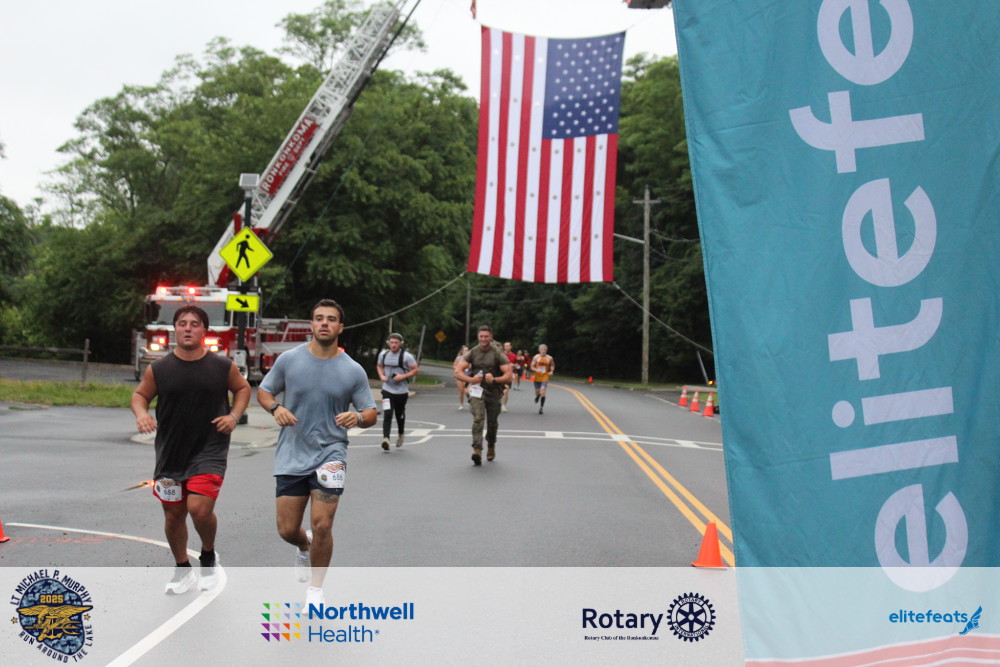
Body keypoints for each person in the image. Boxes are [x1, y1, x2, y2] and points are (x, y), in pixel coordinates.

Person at [256, 299, 377, 606]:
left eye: (331, 319)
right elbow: (264, 391)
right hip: (292, 451)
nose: (324, 323)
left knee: (323, 523)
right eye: (319, 318)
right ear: (311, 324)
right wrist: (276, 408)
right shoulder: (289, 360)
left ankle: (316, 590)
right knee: (287, 530)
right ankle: (303, 544)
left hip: (331, 453)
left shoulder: (353, 370)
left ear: (340, 327)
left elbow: (370, 412)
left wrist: (357, 417)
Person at [130, 305, 251, 595]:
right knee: (173, 515)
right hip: (171, 453)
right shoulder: (159, 368)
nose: (187, 328)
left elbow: (243, 389)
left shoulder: (221, 366)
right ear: (175, 329)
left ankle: (208, 556)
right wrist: (142, 414)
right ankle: (182, 569)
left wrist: (234, 416)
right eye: (182, 323)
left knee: (198, 509)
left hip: (209, 449)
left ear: (204, 330)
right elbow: (140, 395)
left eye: (194, 324)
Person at [454, 326, 513, 465]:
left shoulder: (497, 353)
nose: (483, 339)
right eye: (481, 336)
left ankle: (491, 444)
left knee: (492, 422)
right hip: (477, 390)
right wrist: (471, 380)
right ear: (478, 337)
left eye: (486, 336)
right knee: (478, 418)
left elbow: (509, 375)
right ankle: (477, 450)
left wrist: (494, 380)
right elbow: (457, 371)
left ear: (490, 337)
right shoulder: (473, 352)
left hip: (494, 391)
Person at [377, 333, 419, 451]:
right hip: (387, 389)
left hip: (401, 391)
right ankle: (386, 439)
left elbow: (415, 370)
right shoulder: (383, 354)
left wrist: (402, 376)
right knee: (387, 413)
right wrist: (381, 375)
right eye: (391, 342)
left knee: (399, 414)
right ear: (388, 343)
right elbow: (379, 366)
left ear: (400, 343)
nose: (393, 345)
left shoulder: (406, 356)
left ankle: (401, 433)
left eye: (396, 343)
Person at [530, 344, 555, 414]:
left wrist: (551, 371)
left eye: (544, 350)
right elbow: (531, 366)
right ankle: (538, 396)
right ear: (539, 350)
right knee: (537, 392)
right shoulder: (536, 357)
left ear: (546, 350)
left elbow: (552, 365)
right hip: (537, 376)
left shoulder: (550, 358)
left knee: (543, 390)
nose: (543, 351)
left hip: (545, 376)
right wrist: (536, 370)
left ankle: (541, 408)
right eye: (542, 350)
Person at [500, 341, 517, 411]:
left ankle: (503, 405)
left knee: (506, 390)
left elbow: (516, 364)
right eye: (505, 346)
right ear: (504, 347)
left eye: (508, 346)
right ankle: (498, 403)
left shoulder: (514, 355)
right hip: (500, 374)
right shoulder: (501, 355)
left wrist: (513, 365)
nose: (507, 347)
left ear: (511, 347)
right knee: (499, 390)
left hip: (509, 375)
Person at [453, 345, 470, 410]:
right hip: (459, 375)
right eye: (465, 350)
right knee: (461, 391)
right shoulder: (459, 358)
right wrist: (458, 369)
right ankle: (461, 405)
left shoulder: (470, 358)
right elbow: (454, 366)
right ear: (462, 351)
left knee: (467, 391)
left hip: (467, 375)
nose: (467, 351)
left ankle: (470, 400)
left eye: (467, 350)